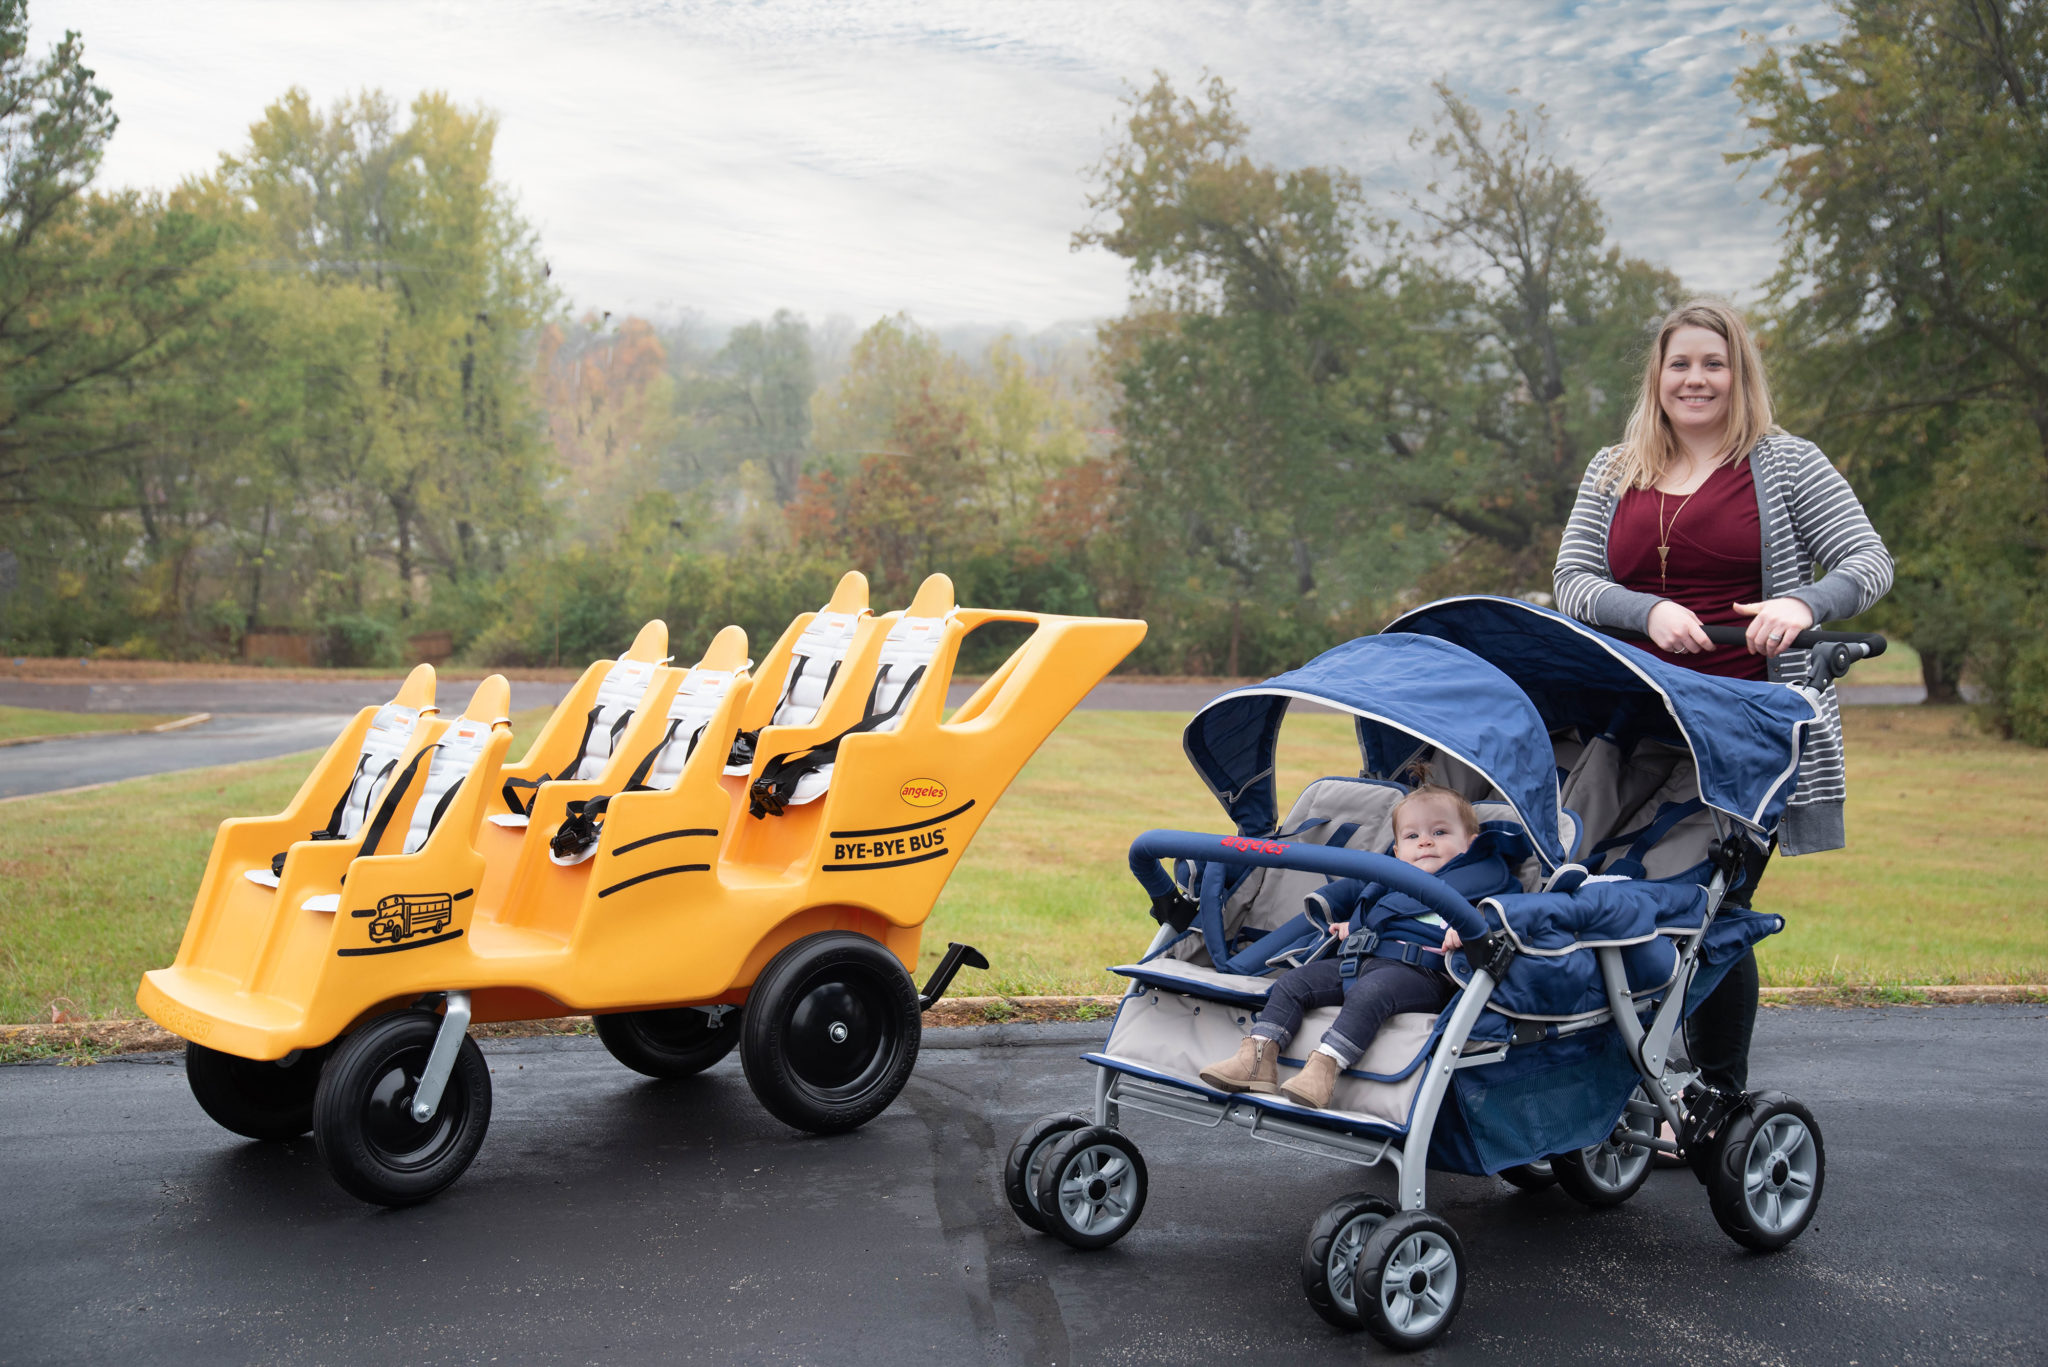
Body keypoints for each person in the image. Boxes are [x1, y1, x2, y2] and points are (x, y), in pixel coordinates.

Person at [1553, 299, 1892, 1094]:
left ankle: (1715, 1095)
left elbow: (1868, 561)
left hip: (1747, 732)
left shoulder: (1785, 463)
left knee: (1704, 913)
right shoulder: (1614, 467)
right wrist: (1650, 612)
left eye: (1714, 363)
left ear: (1740, 373)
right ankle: (1611, 1078)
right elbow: (1571, 583)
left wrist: (1804, 604)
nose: (1696, 379)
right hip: (1629, 725)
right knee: (1594, 896)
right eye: (1680, 364)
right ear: (1658, 375)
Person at [1197, 786, 1522, 1110]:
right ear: (1396, 851)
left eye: (1440, 832)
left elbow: (1508, 915)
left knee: (1372, 992)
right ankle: (1257, 1056)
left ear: (1472, 842)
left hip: (1423, 972)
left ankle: (1324, 1068)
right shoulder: (1391, 880)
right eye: (1412, 836)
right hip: (1363, 958)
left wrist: (1474, 930)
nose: (1425, 841)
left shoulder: (1487, 880)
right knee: (1293, 983)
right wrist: (1353, 926)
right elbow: (1372, 908)